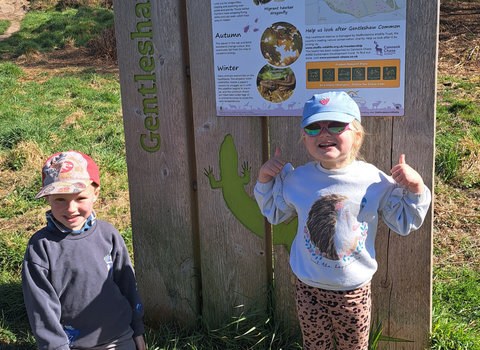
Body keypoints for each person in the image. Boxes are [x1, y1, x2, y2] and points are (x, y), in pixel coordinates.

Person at [254, 91, 431, 350]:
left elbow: (403, 222)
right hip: (307, 289)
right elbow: (276, 213)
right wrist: (264, 180)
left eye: (336, 125)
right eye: (314, 127)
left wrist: (416, 188)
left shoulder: (375, 181)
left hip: (354, 292)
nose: (324, 133)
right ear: (304, 138)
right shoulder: (296, 180)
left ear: (357, 135)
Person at [22, 150, 146, 350]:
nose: (71, 208)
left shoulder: (109, 235)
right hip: (72, 344)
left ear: (95, 194)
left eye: (80, 198)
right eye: (60, 199)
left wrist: (137, 329)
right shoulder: (40, 247)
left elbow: (128, 284)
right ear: (48, 198)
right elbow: (41, 308)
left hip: (119, 336)